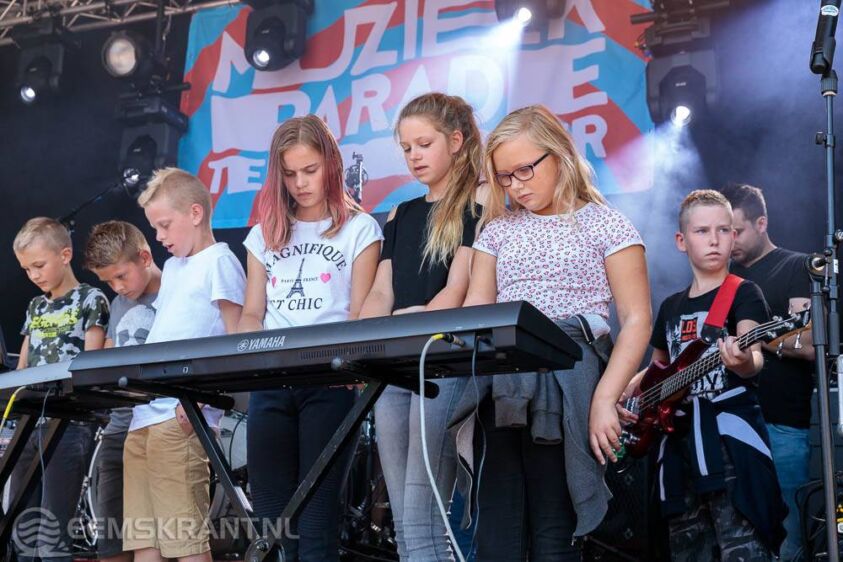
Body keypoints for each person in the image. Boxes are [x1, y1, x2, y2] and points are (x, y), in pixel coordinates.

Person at [452, 104, 651, 561]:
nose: (516, 186)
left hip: (570, 378)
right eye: (505, 177)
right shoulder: (497, 231)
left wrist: (604, 399)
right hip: (502, 382)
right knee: (497, 527)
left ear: (559, 154)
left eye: (525, 170)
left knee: (555, 524)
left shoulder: (606, 223)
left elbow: (637, 319)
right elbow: (477, 310)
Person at [237, 115, 382, 561]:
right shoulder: (263, 235)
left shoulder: (360, 229)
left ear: (331, 165)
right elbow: (252, 312)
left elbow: (359, 314)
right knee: (271, 522)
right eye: (289, 173)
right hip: (271, 381)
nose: (300, 183)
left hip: (330, 382)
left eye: (310, 170)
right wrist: (246, 356)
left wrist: (354, 369)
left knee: (318, 521)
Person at [619, 189, 787, 561]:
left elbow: (754, 357)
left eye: (724, 230)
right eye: (702, 231)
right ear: (681, 241)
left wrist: (740, 362)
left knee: (743, 543)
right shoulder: (671, 306)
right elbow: (658, 368)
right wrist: (627, 396)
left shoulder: (744, 292)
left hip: (728, 442)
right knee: (686, 547)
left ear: (734, 236)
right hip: (676, 445)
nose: (714, 240)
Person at [358, 92, 484, 561]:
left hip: (441, 363)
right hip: (394, 364)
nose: (414, 156)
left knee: (423, 517)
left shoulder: (478, 201)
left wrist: (410, 322)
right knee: (405, 525)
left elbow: (457, 290)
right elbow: (380, 292)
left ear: (456, 140)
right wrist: (360, 341)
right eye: (407, 147)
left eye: (424, 144)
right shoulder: (400, 214)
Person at [123, 168, 245, 562]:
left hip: (182, 415)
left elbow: (235, 340)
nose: (159, 236)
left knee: (185, 540)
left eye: (164, 225)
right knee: (145, 541)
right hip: (144, 415)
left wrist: (201, 396)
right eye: (155, 228)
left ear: (195, 213)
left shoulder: (220, 261)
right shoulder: (173, 268)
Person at [720, 183, 813, 562]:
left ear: (762, 223)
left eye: (737, 231)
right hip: (728, 425)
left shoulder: (796, 266)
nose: (730, 241)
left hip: (782, 424)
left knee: (790, 536)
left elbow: (809, 343)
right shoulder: (723, 281)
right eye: (724, 232)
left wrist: (753, 337)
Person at [10, 217, 109, 562]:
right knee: (21, 524)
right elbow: (22, 369)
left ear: (65, 255)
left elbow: (92, 365)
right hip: (29, 424)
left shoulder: (91, 298)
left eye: (39, 265)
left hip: (70, 424)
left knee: (53, 529)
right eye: (26, 269)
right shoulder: (35, 306)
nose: (33, 275)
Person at [85, 220, 163, 562]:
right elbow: (110, 355)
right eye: (108, 282)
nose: (117, 287)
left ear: (144, 258)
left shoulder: (175, 293)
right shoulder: (118, 304)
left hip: (159, 421)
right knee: (112, 536)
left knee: (160, 535)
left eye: (121, 276)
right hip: (120, 426)